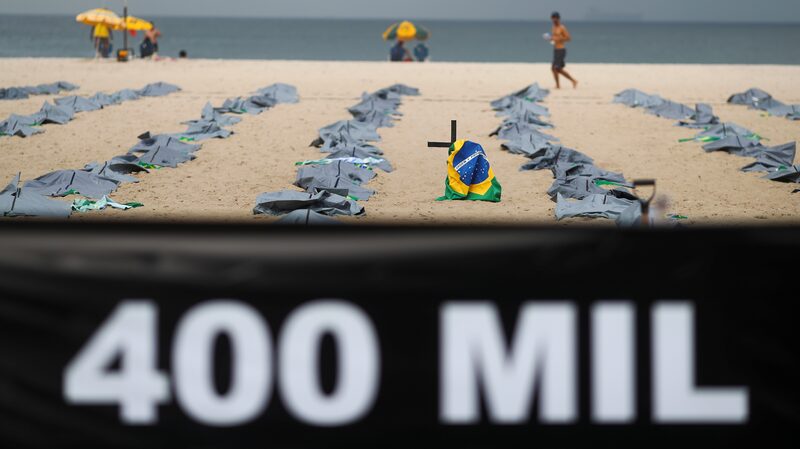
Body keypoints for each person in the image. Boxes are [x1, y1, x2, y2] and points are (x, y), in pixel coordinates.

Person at [550, 12, 578, 89]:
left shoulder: (562, 28)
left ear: (558, 19)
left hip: (561, 50)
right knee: (555, 69)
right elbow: (554, 37)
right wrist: (551, 38)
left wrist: (559, 38)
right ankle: (558, 85)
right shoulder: (553, 27)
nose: (554, 20)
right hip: (555, 49)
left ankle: (573, 81)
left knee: (556, 68)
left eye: (555, 19)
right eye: (552, 19)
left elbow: (569, 38)